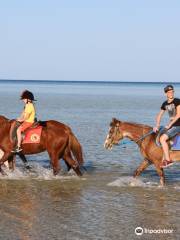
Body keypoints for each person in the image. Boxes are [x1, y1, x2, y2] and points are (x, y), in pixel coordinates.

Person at [153, 85, 180, 168]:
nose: (171, 93)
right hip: (172, 125)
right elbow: (159, 115)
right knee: (159, 135)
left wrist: (169, 124)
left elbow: (179, 114)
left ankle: (168, 160)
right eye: (169, 92)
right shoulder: (165, 103)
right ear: (166, 94)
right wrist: (156, 126)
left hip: (178, 125)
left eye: (172, 91)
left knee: (162, 139)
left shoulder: (177, 101)